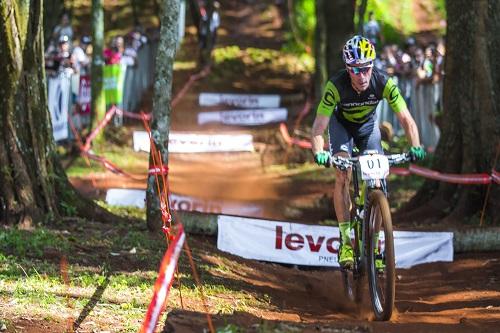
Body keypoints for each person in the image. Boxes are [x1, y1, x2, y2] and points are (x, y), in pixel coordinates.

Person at [310, 35, 425, 269]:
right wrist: (318, 151)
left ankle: (374, 245)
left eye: (366, 69)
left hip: (368, 128)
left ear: (372, 65)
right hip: (341, 127)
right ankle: (344, 242)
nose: (362, 76)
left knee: (378, 181)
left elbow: (406, 119)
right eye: (355, 70)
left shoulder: (383, 82)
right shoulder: (336, 86)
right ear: (347, 69)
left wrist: (416, 146)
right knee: (342, 174)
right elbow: (318, 126)